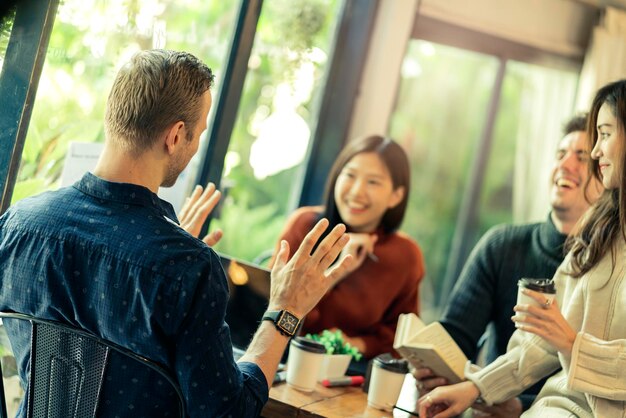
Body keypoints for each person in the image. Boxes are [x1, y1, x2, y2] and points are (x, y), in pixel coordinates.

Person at [0, 49, 353, 417]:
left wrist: (167, 257)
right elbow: (229, 412)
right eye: (199, 133)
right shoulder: (188, 267)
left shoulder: (18, 224)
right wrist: (285, 309)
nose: (197, 144)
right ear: (176, 135)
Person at [417, 79, 626, 418]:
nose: (597, 152)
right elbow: (543, 339)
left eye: (604, 134)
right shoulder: (598, 229)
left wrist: (572, 345)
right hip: (556, 408)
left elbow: (560, 338)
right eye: (562, 154)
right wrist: (475, 388)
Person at [269, 135, 425, 359]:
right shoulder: (305, 226)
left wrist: (356, 344)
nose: (356, 192)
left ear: (396, 196)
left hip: (349, 376)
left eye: (373, 182)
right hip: (282, 357)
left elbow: (402, 340)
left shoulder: (405, 255)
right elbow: (272, 303)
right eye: (350, 175)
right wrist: (338, 271)